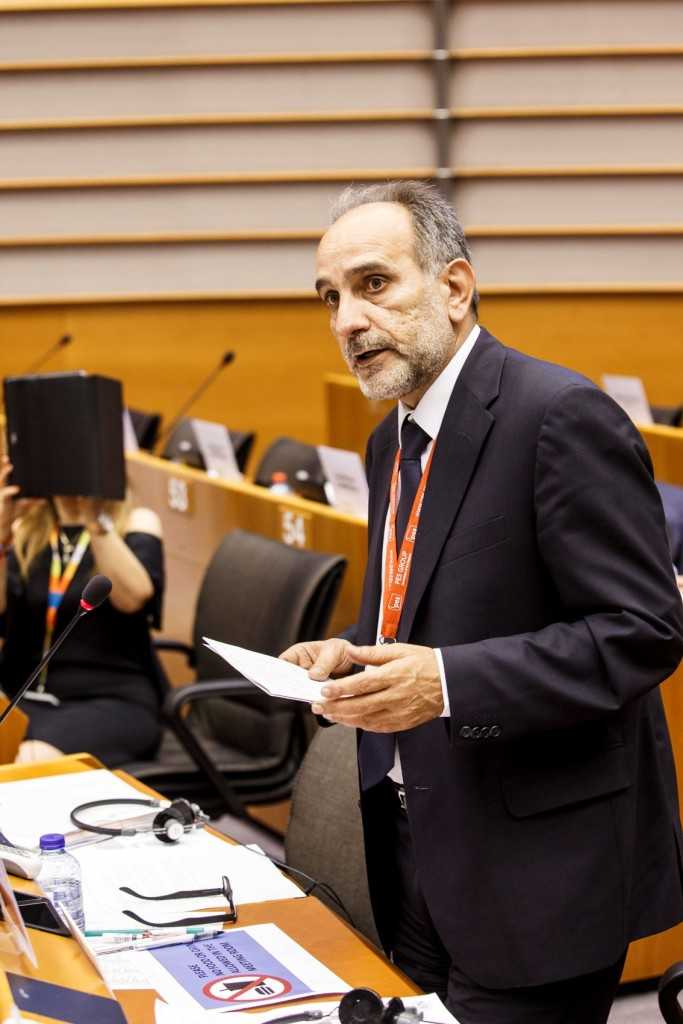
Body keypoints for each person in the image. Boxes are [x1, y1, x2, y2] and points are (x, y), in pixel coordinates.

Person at [281, 181, 683, 1023]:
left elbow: (642, 631)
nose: (346, 319)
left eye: (373, 284)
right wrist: (349, 650)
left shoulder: (557, 415)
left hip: (537, 869)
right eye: (330, 298)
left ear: (455, 288)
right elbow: (417, 607)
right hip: (412, 846)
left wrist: (448, 683)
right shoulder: (390, 437)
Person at [0, 455, 164, 767]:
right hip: (21, 694)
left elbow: (134, 598)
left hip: (109, 701)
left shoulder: (135, 523)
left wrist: (95, 520)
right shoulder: (25, 529)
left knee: (25, 760)